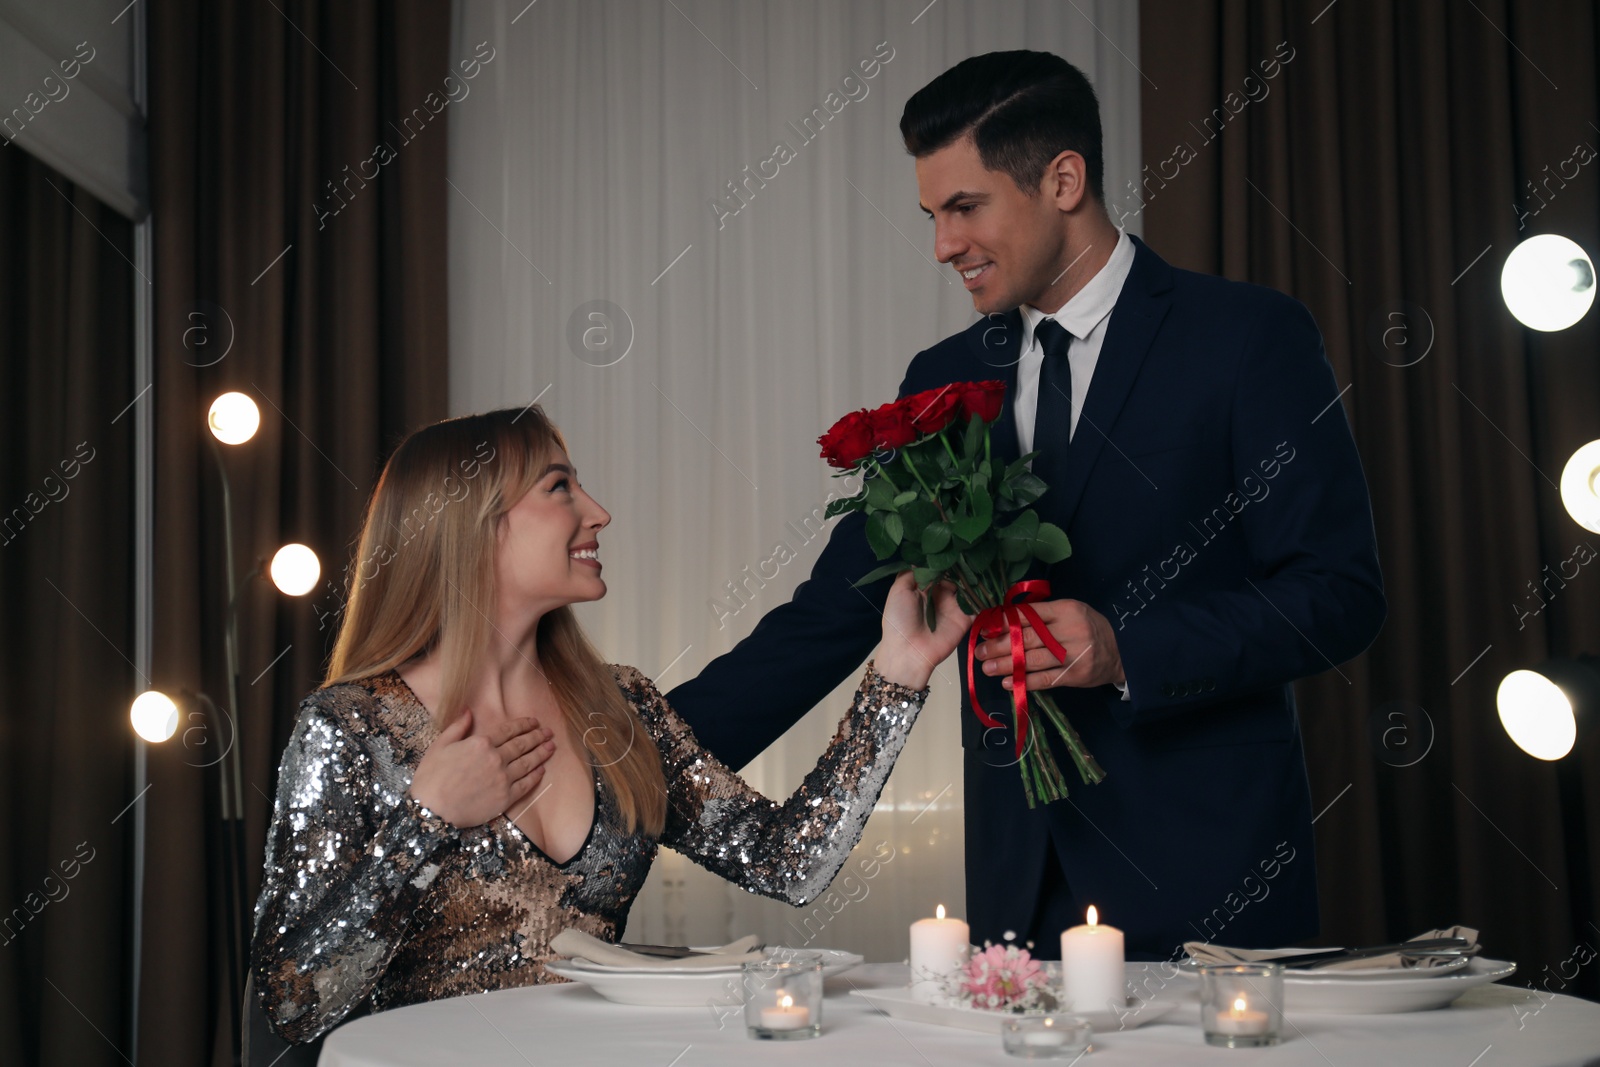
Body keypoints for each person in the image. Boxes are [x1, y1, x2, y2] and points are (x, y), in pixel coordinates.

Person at [667, 51, 1386, 961]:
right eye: (931, 216)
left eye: (965, 208)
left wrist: (1127, 648)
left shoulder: (1248, 338)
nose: (941, 245)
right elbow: (831, 613)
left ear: (1063, 179)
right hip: (1017, 881)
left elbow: (1340, 594)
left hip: (1212, 879)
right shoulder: (942, 379)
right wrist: (622, 751)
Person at [249, 406, 970, 1045]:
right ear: (471, 523)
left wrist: (899, 674)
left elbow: (790, 862)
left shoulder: (622, 706)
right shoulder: (351, 726)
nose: (598, 511)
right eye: (560, 487)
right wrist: (425, 821)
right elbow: (294, 1001)